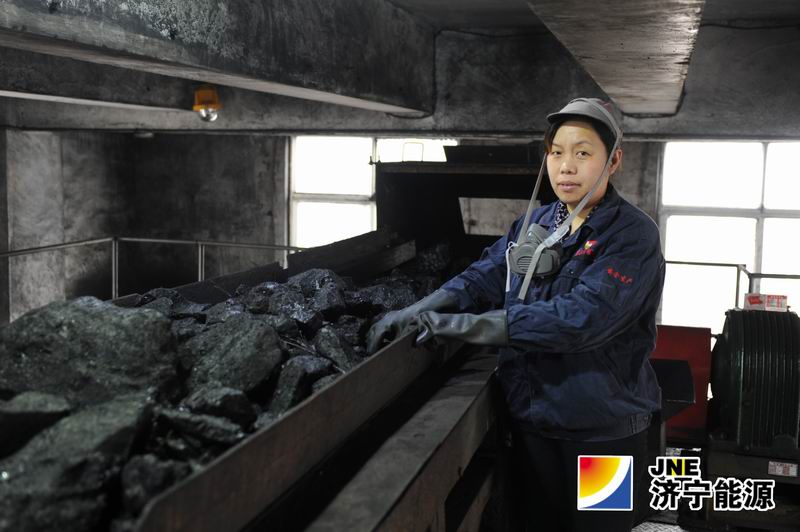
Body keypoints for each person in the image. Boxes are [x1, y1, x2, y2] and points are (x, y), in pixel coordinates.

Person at [366, 98, 665, 532]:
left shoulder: (632, 236)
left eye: (583, 153)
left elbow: (580, 319)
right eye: (556, 152)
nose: (566, 166)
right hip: (532, 423)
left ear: (613, 160)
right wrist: (420, 308)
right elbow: (485, 275)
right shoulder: (535, 224)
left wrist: (462, 327)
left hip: (602, 434)